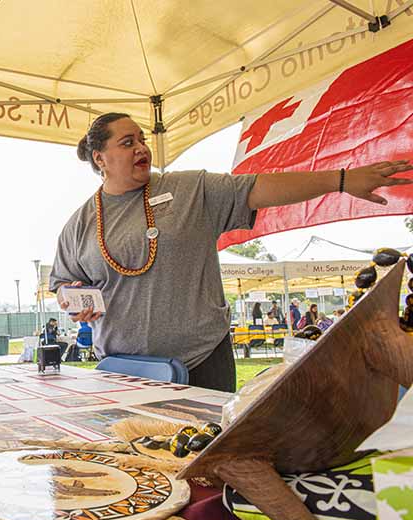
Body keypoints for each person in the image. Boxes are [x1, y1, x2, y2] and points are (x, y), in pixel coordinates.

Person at [51, 112, 412, 392]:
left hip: (203, 362)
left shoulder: (191, 189)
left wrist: (342, 180)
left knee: (208, 472)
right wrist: (72, 300)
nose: (141, 148)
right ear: (100, 158)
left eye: (142, 139)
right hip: (123, 372)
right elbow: (62, 284)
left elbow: (260, 187)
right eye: (128, 143)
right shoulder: (80, 223)